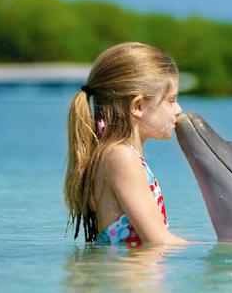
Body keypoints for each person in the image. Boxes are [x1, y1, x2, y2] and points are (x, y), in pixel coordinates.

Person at [64, 42, 187, 246]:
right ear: (138, 106)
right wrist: (225, 252)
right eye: (171, 100)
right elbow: (159, 241)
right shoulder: (121, 157)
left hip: (124, 276)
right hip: (124, 277)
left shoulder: (115, 154)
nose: (178, 110)